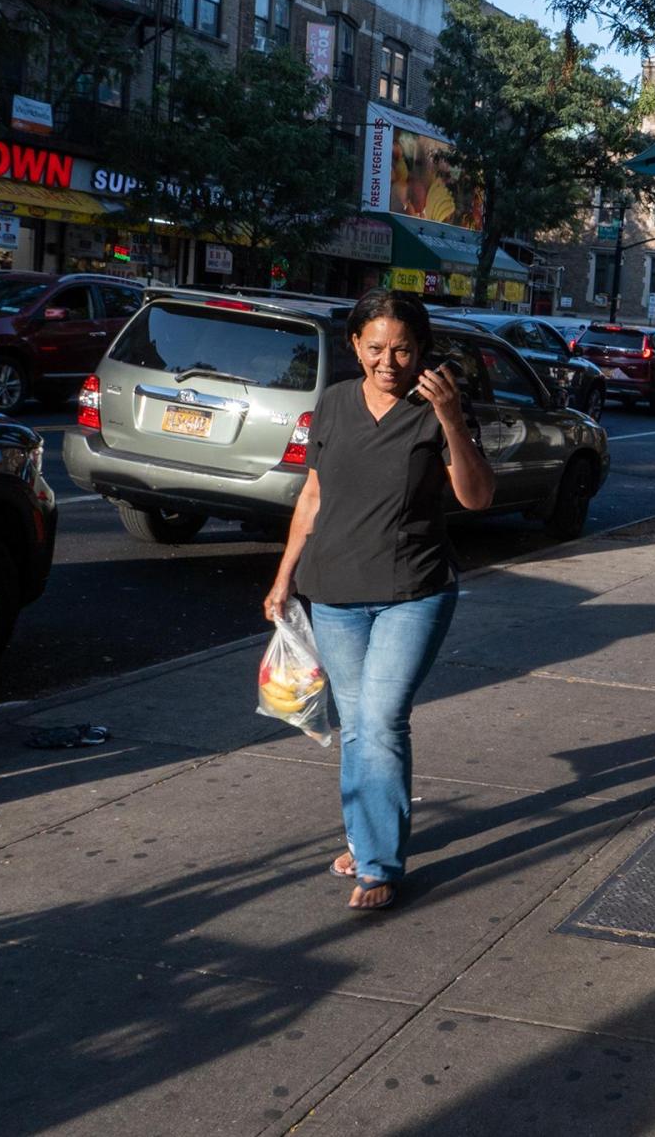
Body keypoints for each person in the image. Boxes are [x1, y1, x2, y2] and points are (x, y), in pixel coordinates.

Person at [263, 291, 494, 912]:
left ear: (421, 352)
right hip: (334, 591)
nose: (387, 361)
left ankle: (378, 865)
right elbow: (312, 496)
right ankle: (366, 839)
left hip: (413, 592)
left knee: (380, 721)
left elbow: (476, 498)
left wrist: (450, 419)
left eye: (402, 349)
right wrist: (284, 576)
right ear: (355, 347)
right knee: (359, 727)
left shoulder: (436, 409)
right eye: (375, 348)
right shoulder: (335, 403)